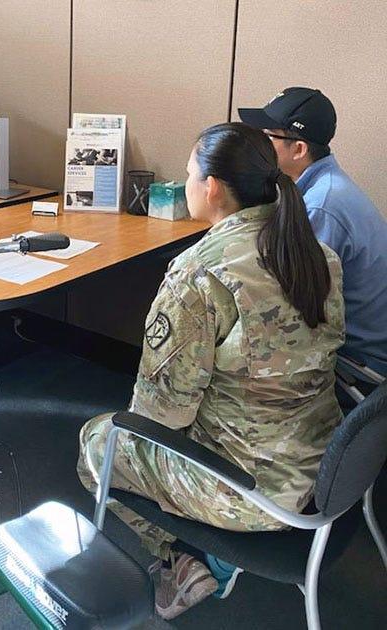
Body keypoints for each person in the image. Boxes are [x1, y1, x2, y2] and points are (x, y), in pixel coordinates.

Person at [77, 122, 345, 620]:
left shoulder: (197, 274)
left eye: (188, 174)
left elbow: (158, 422)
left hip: (251, 491)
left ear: (213, 187)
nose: (185, 185)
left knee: (99, 443)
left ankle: (186, 562)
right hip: (323, 468)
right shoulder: (316, 253)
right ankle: (208, 556)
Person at [239, 87, 387, 376]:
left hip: (359, 364)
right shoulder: (325, 185)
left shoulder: (322, 206)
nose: (259, 144)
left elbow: (297, 305)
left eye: (268, 136)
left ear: (299, 149)